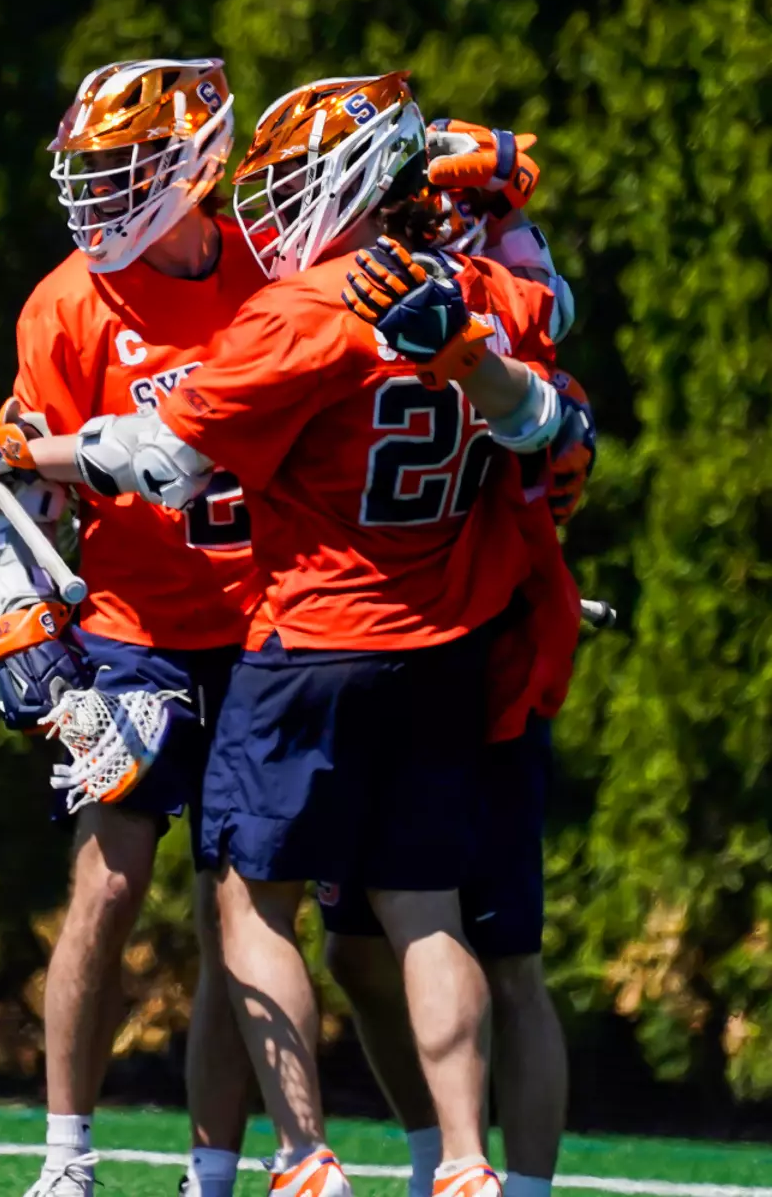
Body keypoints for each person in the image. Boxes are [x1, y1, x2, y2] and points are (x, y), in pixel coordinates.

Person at [35, 72, 580, 1197]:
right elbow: (554, 410)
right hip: (446, 650)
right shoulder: (487, 291)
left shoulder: (301, 307)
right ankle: (465, 1163)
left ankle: (302, 1155)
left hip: (307, 640)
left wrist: (11, 453)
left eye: (291, 183)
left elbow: (161, 460)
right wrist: (485, 252)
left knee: (247, 901)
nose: (271, 206)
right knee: (425, 913)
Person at [0, 56, 264, 1197]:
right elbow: (27, 497)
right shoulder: (67, 302)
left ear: (194, 165)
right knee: (107, 884)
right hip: (133, 628)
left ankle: (211, 1172)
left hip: (268, 624)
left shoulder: (276, 271)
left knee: (243, 912)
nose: (102, 192)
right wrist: (19, 601)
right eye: (94, 169)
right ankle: (66, 1157)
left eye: (125, 167)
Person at [322, 122, 594, 1197]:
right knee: (356, 946)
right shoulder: (347, 297)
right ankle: (439, 1158)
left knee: (505, 953)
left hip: (488, 656)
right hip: (382, 650)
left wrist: (504, 216)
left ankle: (512, 1186)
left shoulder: (495, 300)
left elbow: (548, 342)